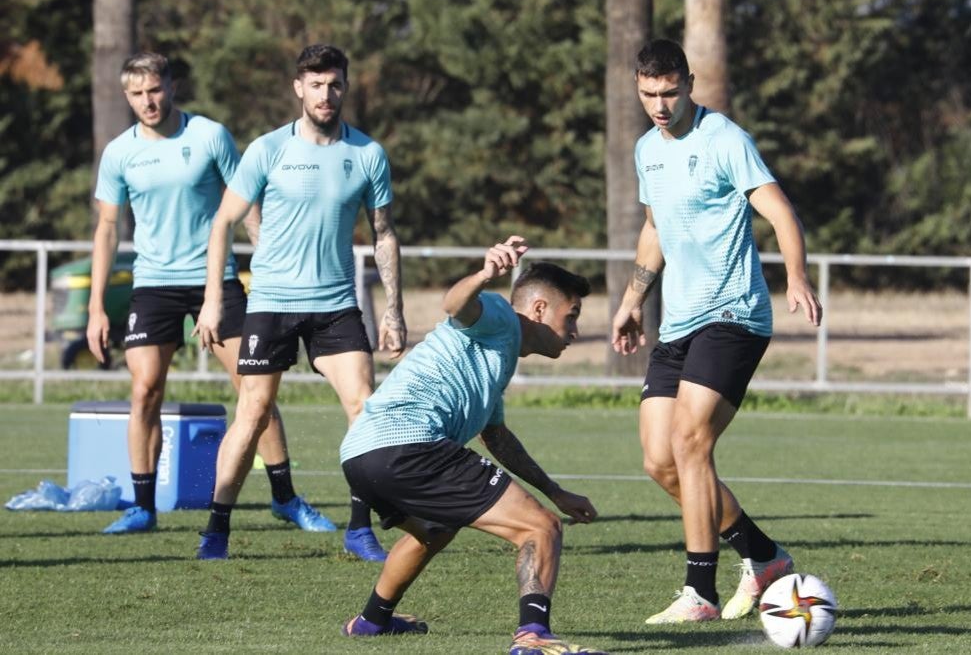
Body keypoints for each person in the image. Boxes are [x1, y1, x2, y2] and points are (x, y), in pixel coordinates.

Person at [610, 39, 824, 623]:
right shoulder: (646, 151)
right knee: (660, 461)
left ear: (689, 82)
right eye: (649, 93)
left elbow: (780, 211)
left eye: (670, 92)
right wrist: (633, 300)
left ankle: (698, 593)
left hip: (733, 314)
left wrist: (797, 276)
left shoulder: (726, 139)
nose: (660, 104)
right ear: (638, 87)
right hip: (677, 321)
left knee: (690, 442)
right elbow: (655, 229)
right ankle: (765, 558)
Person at [88, 52, 330, 536]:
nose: (147, 101)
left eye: (154, 90)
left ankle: (285, 498)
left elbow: (248, 202)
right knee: (144, 391)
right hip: (152, 285)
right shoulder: (119, 152)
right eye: (136, 94)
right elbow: (108, 228)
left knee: (254, 389)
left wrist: (265, 266)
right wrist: (96, 307)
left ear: (171, 86)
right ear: (126, 97)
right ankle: (142, 507)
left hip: (214, 281)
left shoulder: (209, 136)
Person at [338, 238, 604, 655]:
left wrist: (554, 490)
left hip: (360, 455)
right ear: (538, 309)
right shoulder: (500, 316)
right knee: (541, 527)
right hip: (409, 445)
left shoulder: (498, 356)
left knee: (435, 530)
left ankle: (371, 622)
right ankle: (533, 636)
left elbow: (496, 436)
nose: (575, 331)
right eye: (571, 317)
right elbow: (454, 304)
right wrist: (484, 275)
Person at [193, 44, 405, 562]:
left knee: (365, 407)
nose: (325, 94)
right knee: (254, 410)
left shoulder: (367, 154)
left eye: (334, 84)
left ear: (345, 87)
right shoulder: (267, 149)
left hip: (336, 303)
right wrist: (211, 300)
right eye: (315, 84)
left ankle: (359, 528)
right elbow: (223, 221)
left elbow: (383, 233)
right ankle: (216, 528)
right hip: (271, 301)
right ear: (298, 88)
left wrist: (394, 310)